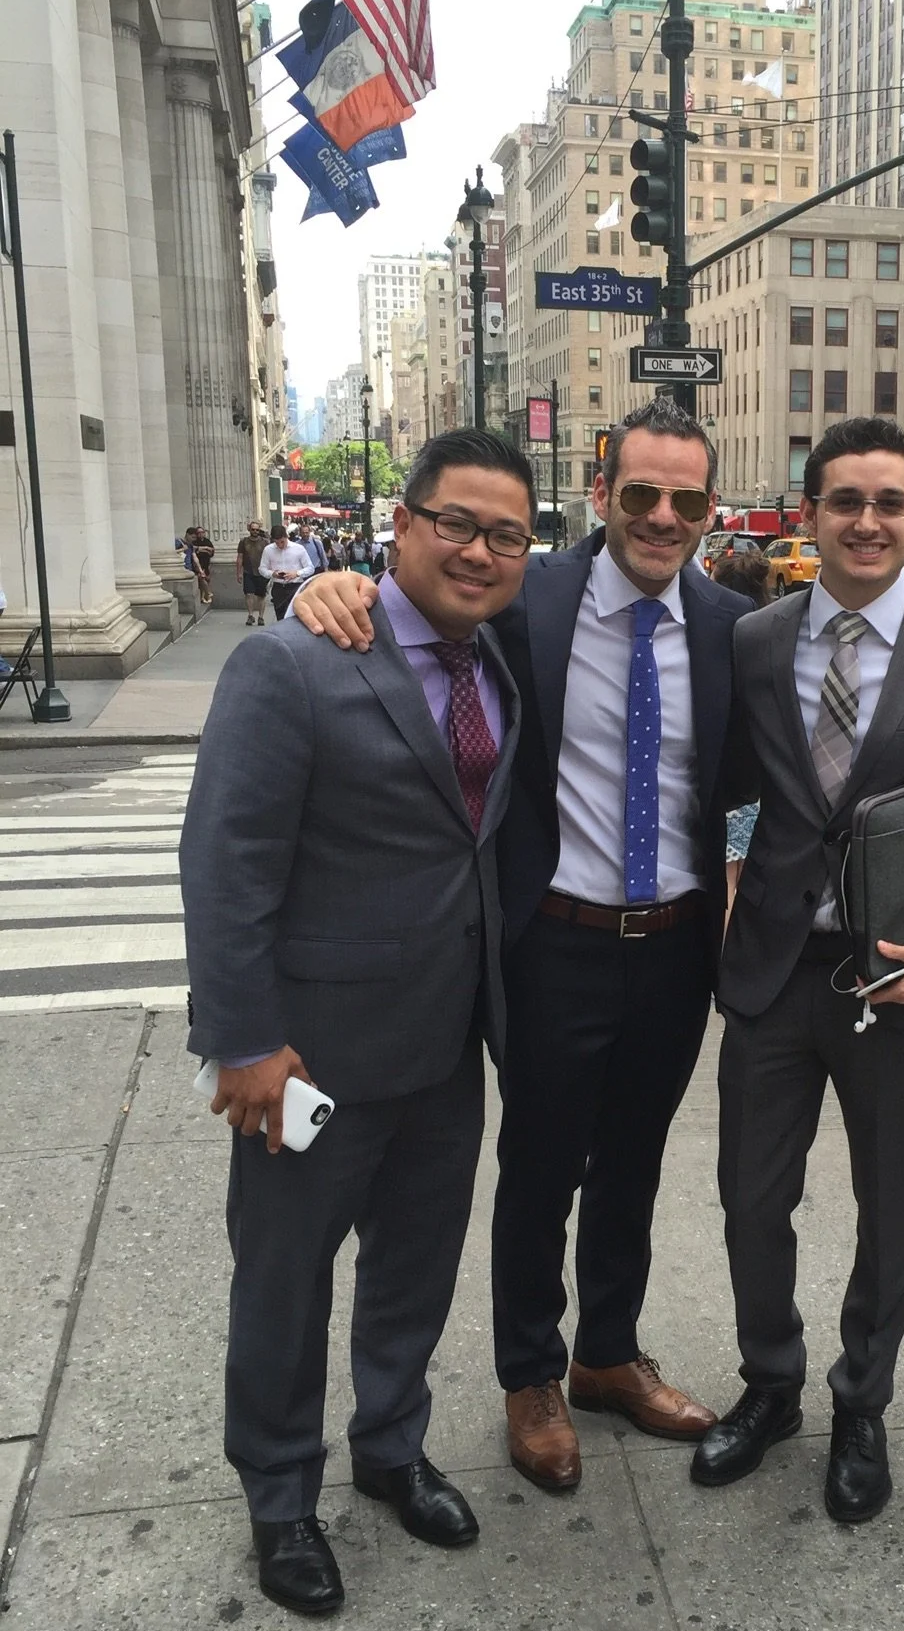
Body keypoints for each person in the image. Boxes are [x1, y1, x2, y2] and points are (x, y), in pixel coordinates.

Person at [291, 401, 752, 1494]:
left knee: (636, 1160)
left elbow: (737, 784)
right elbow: (416, 603)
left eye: (686, 500)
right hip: (555, 937)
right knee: (542, 1162)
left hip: (678, 939)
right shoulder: (524, 598)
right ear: (601, 493)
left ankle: (607, 1353)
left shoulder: (733, 623)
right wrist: (333, 582)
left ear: (706, 509)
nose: (663, 516)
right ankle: (531, 1373)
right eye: (641, 493)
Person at [180, 430, 535, 1615]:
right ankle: (279, 1498)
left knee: (414, 1271)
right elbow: (225, 863)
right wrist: (240, 1042)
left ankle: (391, 1446)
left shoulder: (499, 668)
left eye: (506, 533)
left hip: (446, 1047)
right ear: (404, 524)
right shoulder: (294, 662)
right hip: (307, 1054)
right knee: (284, 1284)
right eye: (457, 523)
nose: (480, 550)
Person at [690, 415, 904, 1524]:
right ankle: (772, 1382)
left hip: (898, 980)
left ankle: (862, 1402)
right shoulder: (756, 640)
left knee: (889, 1208)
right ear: (811, 513)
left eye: (891, 502)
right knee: (752, 1199)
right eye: (847, 500)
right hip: (774, 972)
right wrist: (736, 872)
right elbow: (733, 786)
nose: (869, 520)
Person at [710, 548, 772, 912]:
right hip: (757, 787)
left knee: (727, 881)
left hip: (729, 782)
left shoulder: (726, 639)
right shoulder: (771, 635)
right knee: (743, 876)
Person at [259, 525, 314, 620]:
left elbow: (310, 568)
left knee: (295, 616)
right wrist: (272, 574)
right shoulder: (268, 550)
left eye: (282, 542)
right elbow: (262, 569)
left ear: (286, 537)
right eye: (277, 543)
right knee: (280, 617)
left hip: (295, 586)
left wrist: (296, 573)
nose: (280, 545)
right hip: (279, 588)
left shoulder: (298, 549)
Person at [234, 521, 270, 628]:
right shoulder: (244, 542)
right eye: (253, 529)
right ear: (249, 529)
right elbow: (240, 557)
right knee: (249, 594)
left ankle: (261, 616)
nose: (255, 531)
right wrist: (238, 572)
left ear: (260, 530)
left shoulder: (265, 542)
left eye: (257, 529)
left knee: (261, 595)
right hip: (248, 571)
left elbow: (269, 558)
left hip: (261, 572)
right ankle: (250, 615)